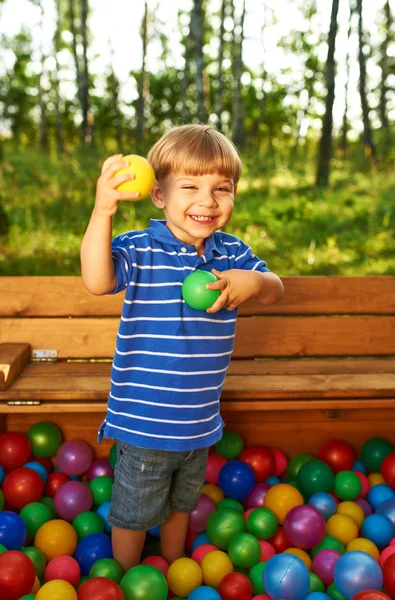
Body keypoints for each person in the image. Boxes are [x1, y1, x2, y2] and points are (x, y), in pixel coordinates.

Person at [80, 123, 284, 572]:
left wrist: (255, 281)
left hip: (199, 421)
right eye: (190, 186)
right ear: (158, 195)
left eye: (222, 188)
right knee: (134, 512)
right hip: (146, 420)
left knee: (181, 503)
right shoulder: (141, 247)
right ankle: (129, 575)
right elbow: (97, 281)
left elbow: (276, 289)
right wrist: (102, 212)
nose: (208, 200)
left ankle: (174, 564)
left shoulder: (231, 255)